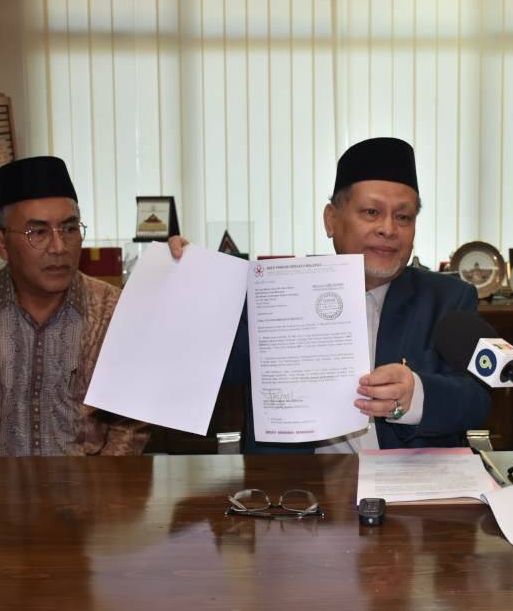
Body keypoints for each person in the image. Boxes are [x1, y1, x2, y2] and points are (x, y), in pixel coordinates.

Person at [173, 137, 491, 452]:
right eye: (371, 212)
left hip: (403, 487)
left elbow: (476, 398)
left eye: (403, 217)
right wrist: (181, 282)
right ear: (331, 219)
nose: (389, 229)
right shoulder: (275, 293)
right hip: (294, 490)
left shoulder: (448, 299)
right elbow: (203, 366)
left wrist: (415, 395)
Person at [0, 156, 148, 456]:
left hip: (94, 495)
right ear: (0, 244)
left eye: (69, 229)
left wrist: (101, 496)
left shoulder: (113, 311)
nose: (59, 247)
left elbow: (129, 426)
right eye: (37, 232)